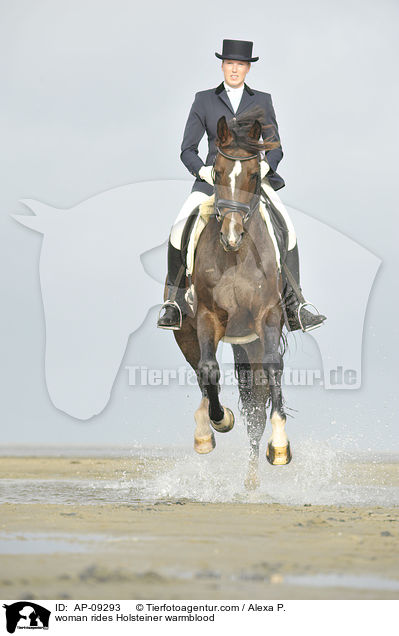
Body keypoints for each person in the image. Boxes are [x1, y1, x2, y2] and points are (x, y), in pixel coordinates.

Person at [157, 39, 326, 332]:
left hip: (252, 183)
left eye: (240, 65)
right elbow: (187, 149)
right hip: (214, 182)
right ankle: (175, 302)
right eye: (229, 64)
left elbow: (275, 147)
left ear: (247, 68)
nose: (234, 69)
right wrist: (204, 172)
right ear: (223, 66)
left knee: (287, 226)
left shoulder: (262, 101)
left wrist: (266, 166)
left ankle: (294, 302)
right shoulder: (204, 100)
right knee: (178, 227)